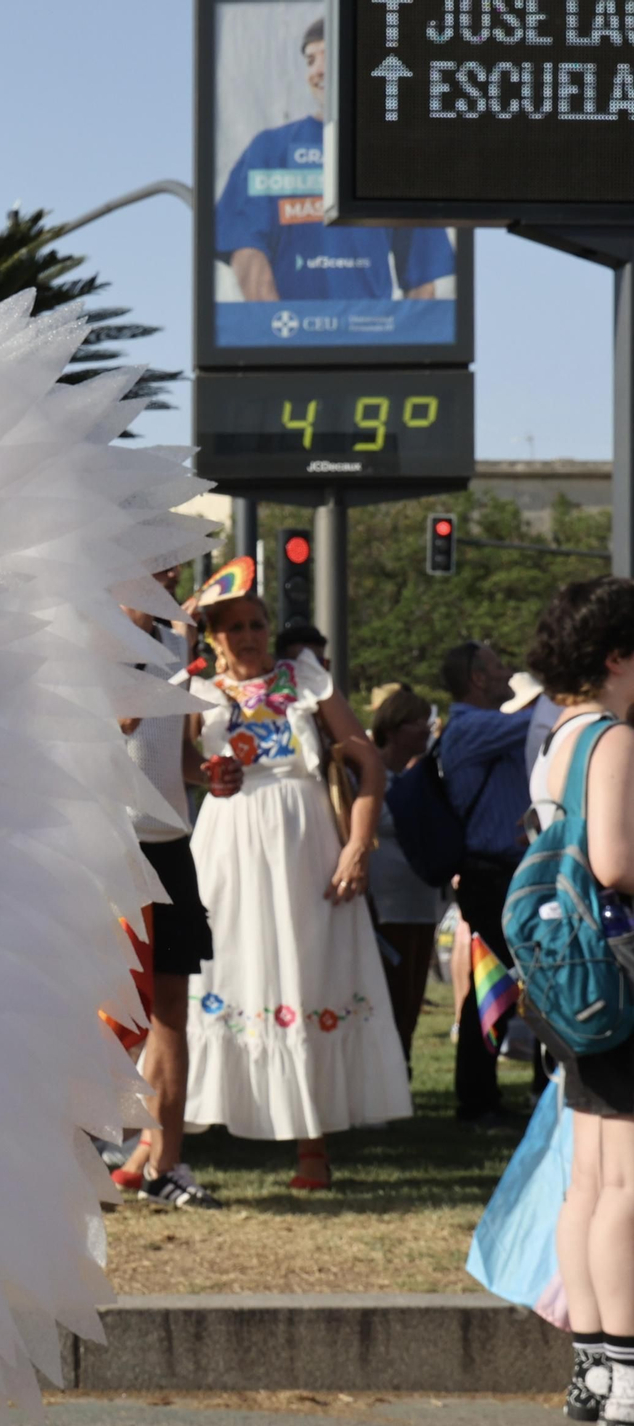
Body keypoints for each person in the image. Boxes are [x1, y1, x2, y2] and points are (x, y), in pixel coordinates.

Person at [183, 572, 411, 1188]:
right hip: (227, 846)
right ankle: (180, 1135)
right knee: (223, 970)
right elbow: (179, 761)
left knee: (307, 972)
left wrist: (359, 844)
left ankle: (314, 1147)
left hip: (307, 848)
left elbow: (365, 759)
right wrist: (209, 777)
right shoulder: (195, 689)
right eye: (236, 626)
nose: (252, 635)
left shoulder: (305, 679)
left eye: (258, 623)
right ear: (214, 636)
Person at [515, 578, 634, 1424]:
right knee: (626, 1186)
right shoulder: (617, 740)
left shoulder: (562, 736)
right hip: (622, 978)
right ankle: (626, 1375)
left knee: (589, 1181)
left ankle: (594, 1375)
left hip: (572, 989)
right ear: (618, 656)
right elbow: (615, 863)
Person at [114, 565, 238, 1209]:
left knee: (171, 1014)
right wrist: (133, 641)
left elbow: (167, 750)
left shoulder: (178, 637)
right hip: (112, 845)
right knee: (108, 1012)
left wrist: (208, 774)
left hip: (169, 843)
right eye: (153, 557)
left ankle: (166, 1165)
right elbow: (122, 726)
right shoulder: (99, 630)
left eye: (173, 559)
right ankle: (81, 1146)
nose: (166, 571)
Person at [215, 17, 456, 304]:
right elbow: (246, 249)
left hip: (370, 341)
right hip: (287, 338)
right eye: (309, 60)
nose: (317, 70)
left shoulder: (391, 156)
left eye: (328, 55)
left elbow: (421, 277)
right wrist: (283, 335)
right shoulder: (269, 149)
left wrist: (396, 346)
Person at [439, 639, 532, 1124]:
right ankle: (477, 1098)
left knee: (506, 984)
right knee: (495, 986)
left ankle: (486, 1094)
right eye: (499, 666)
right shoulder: (473, 728)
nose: (508, 673)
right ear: (476, 678)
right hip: (491, 875)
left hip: (501, 874)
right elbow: (533, 724)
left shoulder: (480, 727)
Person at [370, 685, 445, 1066]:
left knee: (412, 998)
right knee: (390, 997)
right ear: (396, 727)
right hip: (384, 903)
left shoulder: (420, 777)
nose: (428, 731)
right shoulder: (367, 775)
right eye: (420, 723)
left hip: (421, 901)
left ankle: (402, 1076)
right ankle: (383, 1080)